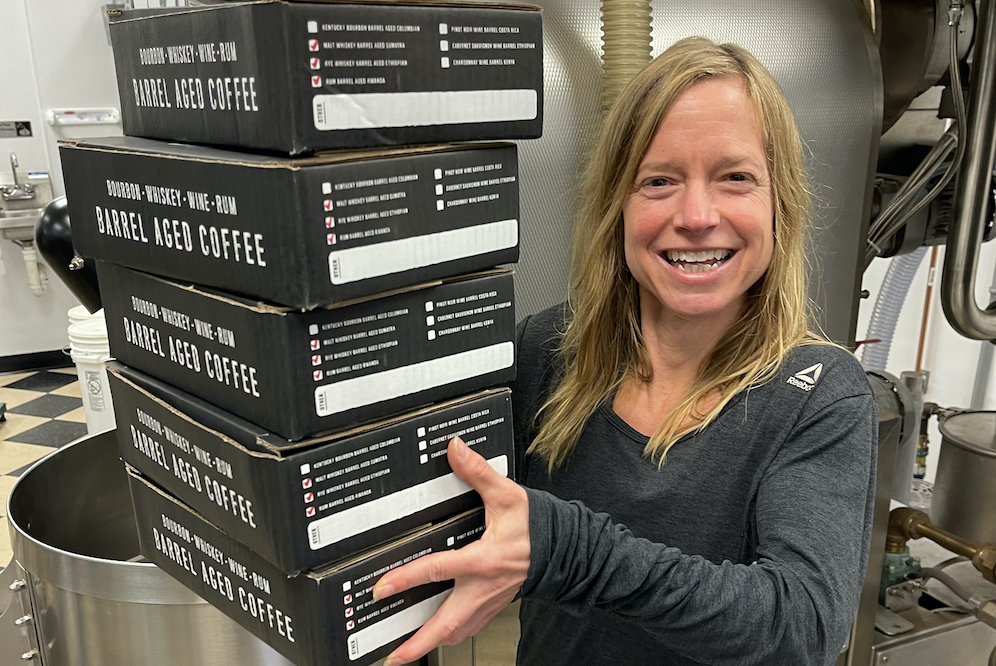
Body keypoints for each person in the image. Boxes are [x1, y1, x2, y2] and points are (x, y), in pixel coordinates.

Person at [373, 36, 878, 666]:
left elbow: (801, 629)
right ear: (617, 205)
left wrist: (572, 551)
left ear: (781, 203)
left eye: (735, 178)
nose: (697, 215)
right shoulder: (548, 350)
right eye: (659, 181)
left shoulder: (820, 395)